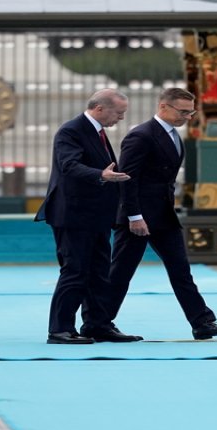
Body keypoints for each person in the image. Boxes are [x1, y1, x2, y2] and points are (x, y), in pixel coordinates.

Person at [106, 88, 217, 339]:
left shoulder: (174, 136)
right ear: (164, 107)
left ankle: (202, 322)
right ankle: (99, 322)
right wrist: (134, 216)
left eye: (191, 112)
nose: (188, 117)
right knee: (121, 273)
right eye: (183, 111)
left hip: (164, 215)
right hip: (138, 217)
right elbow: (127, 179)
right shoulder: (141, 136)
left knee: (181, 270)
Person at [36, 89, 141, 344]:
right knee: (75, 271)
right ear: (100, 108)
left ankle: (97, 324)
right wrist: (101, 175)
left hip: (97, 216)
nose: (121, 118)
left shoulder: (98, 133)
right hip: (73, 215)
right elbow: (69, 166)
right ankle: (59, 329)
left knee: (98, 273)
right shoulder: (71, 130)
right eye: (119, 113)